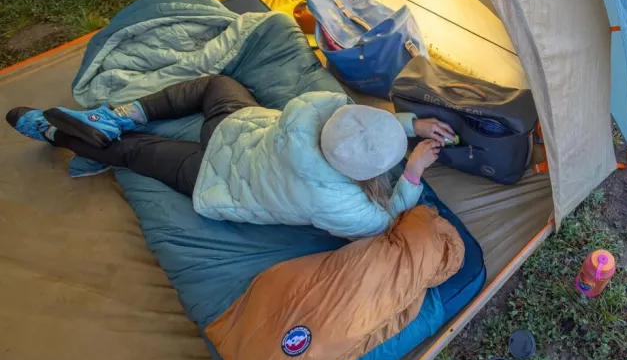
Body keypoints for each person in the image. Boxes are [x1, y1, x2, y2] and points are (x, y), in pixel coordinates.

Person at [6, 75, 457, 241]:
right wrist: (413, 169)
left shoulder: (313, 109)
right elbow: (383, 223)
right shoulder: (340, 203)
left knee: (214, 86)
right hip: (213, 182)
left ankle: (117, 116)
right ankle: (56, 134)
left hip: (233, 131)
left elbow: (354, 121)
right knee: (133, 152)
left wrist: (406, 125)